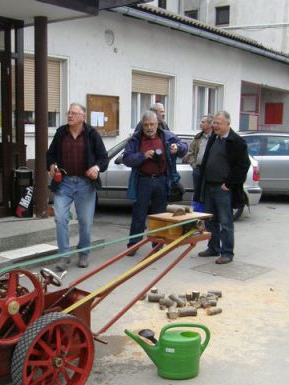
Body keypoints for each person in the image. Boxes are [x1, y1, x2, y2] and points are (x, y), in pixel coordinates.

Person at [47, 102, 109, 270]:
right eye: (69, 113)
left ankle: (84, 253)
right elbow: (50, 154)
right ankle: (63, 256)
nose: (70, 115)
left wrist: (96, 168)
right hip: (64, 183)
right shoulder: (61, 133)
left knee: (85, 221)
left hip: (85, 184)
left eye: (74, 113)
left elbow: (103, 158)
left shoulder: (91, 134)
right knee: (60, 218)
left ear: (83, 117)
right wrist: (51, 165)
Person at [124, 110, 188, 255]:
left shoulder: (167, 136)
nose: (149, 128)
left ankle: (158, 244)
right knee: (139, 215)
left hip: (161, 180)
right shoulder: (136, 139)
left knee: (160, 214)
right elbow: (127, 158)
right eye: (146, 125)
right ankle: (134, 245)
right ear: (142, 125)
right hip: (143, 180)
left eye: (152, 124)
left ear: (157, 124)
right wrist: (143, 156)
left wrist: (177, 148)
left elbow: (184, 148)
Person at [193, 111, 250, 265]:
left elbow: (243, 165)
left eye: (218, 123)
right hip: (209, 185)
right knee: (211, 220)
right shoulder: (214, 138)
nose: (215, 126)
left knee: (225, 221)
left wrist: (230, 184)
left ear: (227, 124)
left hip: (223, 188)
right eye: (214, 123)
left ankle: (227, 252)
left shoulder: (236, 142)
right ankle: (213, 247)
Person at [186, 115, 213, 191]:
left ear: (210, 124)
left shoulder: (215, 137)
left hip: (210, 170)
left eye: (203, 122)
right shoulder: (198, 137)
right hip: (198, 169)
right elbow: (190, 152)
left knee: (207, 192)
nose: (200, 124)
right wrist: (193, 164)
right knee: (197, 192)